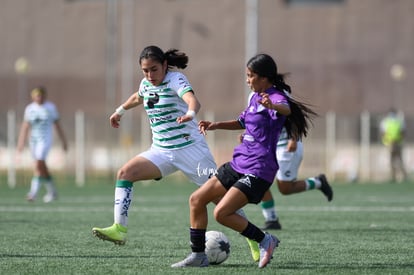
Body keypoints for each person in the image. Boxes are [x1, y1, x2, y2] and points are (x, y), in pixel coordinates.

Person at [91, 45, 251, 248]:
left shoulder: (175, 79)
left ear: (165, 65)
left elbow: (192, 100)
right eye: (145, 70)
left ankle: (253, 238)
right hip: (161, 152)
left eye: (154, 69)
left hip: (192, 151)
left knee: (220, 200)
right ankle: (119, 229)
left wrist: (190, 114)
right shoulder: (146, 83)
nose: (149, 75)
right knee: (125, 173)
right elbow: (138, 96)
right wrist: (120, 111)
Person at [171, 53, 317, 269]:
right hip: (239, 162)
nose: (247, 80)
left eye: (251, 76)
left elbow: (285, 108)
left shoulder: (275, 96)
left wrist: (273, 106)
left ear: (264, 77)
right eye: (247, 75)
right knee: (196, 200)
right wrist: (216, 125)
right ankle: (198, 256)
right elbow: (242, 121)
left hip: (259, 169)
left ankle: (265, 240)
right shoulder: (254, 97)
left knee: (221, 213)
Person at [259, 126, 333, 230]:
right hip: (267, 146)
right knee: (258, 179)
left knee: (285, 189)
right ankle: (271, 219)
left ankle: (319, 182)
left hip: (285, 147)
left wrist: (293, 138)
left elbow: (294, 116)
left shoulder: (284, 108)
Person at [17, 86, 68, 203]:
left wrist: (63, 141)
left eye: (41, 95)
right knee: (41, 167)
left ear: (44, 96)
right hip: (33, 141)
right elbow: (25, 126)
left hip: (45, 140)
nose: (39, 98)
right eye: (36, 95)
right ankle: (53, 191)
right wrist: (20, 143)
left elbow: (57, 125)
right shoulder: (29, 109)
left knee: (38, 164)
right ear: (33, 97)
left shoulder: (50, 107)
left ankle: (33, 193)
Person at [380, 108, 408, 182]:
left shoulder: (398, 121)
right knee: (392, 160)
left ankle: (403, 176)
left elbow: (403, 132)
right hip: (391, 143)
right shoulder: (387, 122)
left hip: (397, 143)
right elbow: (383, 133)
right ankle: (393, 176)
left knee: (399, 160)